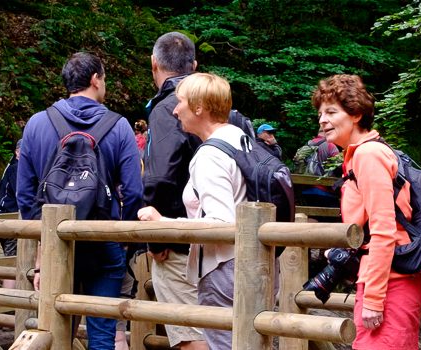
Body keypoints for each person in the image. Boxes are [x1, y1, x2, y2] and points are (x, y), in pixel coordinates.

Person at [14, 52, 143, 350]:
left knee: (55, 330)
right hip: (102, 241)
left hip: (57, 243)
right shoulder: (119, 126)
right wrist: (123, 235)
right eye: (105, 78)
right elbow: (134, 191)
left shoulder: (37, 124)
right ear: (95, 79)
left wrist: (43, 242)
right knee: (101, 335)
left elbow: (25, 194)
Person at [141, 31, 252, 350]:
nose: (178, 111)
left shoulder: (167, 108)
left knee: (192, 336)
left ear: (154, 64)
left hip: (188, 244)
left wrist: (158, 235)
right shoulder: (231, 117)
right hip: (238, 249)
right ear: (194, 65)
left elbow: (158, 177)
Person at [314, 74, 421, 349]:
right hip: (386, 278)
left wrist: (374, 298)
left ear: (356, 114)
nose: (322, 120)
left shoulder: (368, 155)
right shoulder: (361, 154)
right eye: (319, 113)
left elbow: (384, 230)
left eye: (331, 112)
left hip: (391, 282)